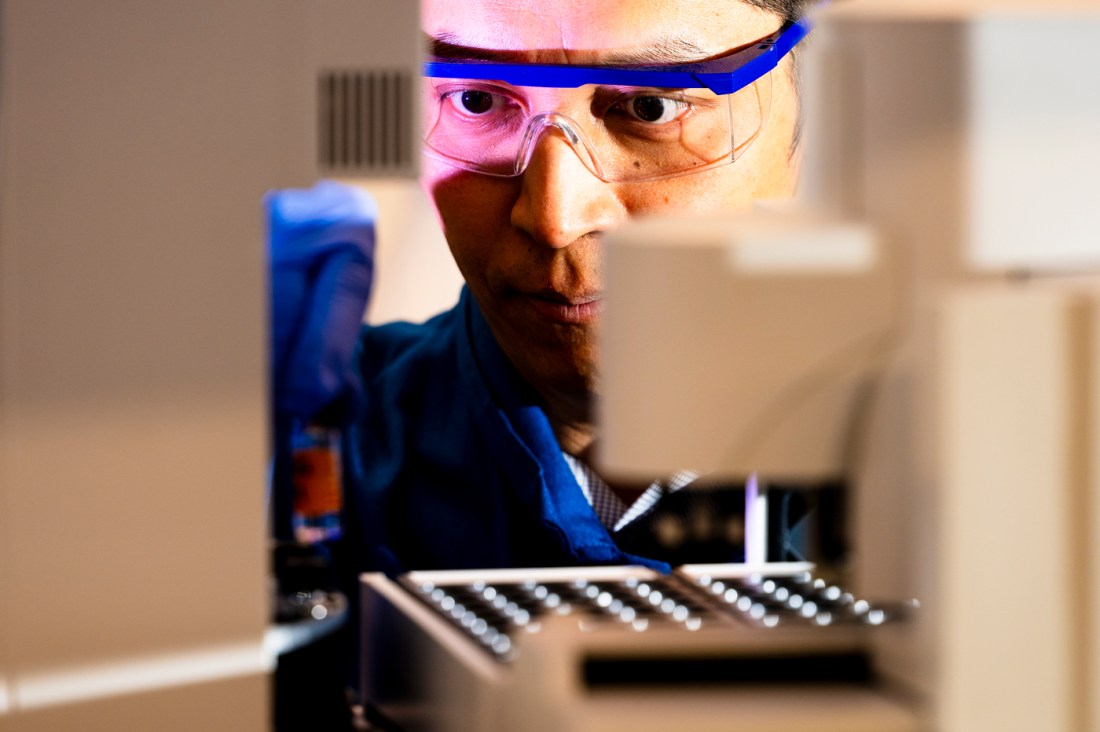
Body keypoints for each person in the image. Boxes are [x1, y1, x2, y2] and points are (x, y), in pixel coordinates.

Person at [270, 0, 815, 579]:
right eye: (475, 99)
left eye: (651, 106)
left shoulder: (914, 466)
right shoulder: (300, 439)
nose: (554, 217)